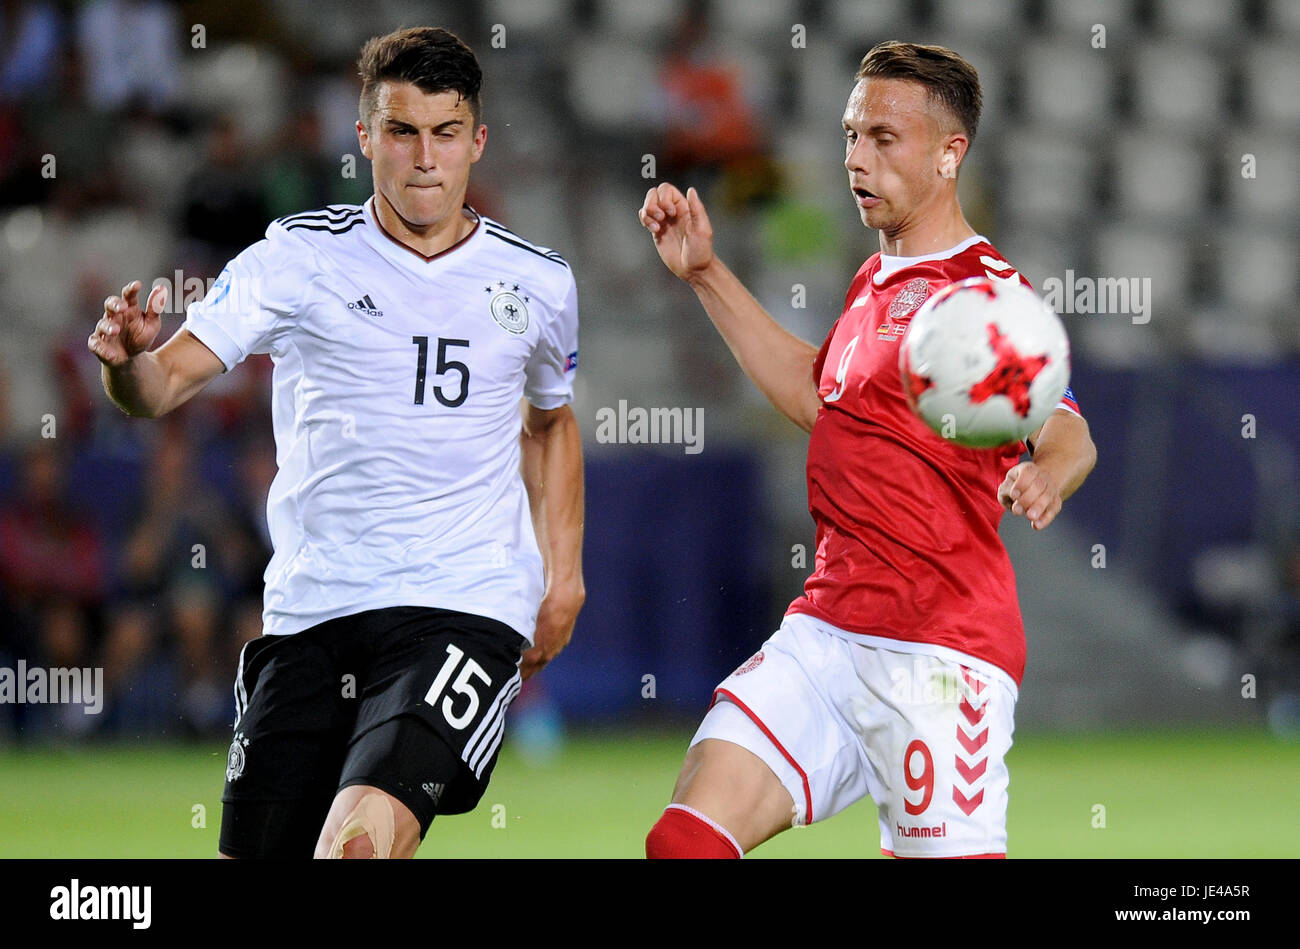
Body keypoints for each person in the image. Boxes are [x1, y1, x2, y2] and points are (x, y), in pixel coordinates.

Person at [87, 26, 585, 859]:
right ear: (365, 138)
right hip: (312, 609)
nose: (424, 157)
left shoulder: (539, 281)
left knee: (356, 844)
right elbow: (160, 387)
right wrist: (128, 364)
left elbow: (550, 421)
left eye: (445, 132)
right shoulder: (297, 257)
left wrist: (562, 574)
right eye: (401, 131)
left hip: (462, 604)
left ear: (477, 142)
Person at [639, 41, 1096, 859]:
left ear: (950, 154)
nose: (856, 157)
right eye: (852, 135)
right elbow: (819, 399)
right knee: (685, 842)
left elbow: (1067, 427)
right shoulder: (872, 281)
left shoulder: (984, 296)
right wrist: (706, 271)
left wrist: (1044, 473)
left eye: (884, 138)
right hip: (826, 631)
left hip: (941, 653)